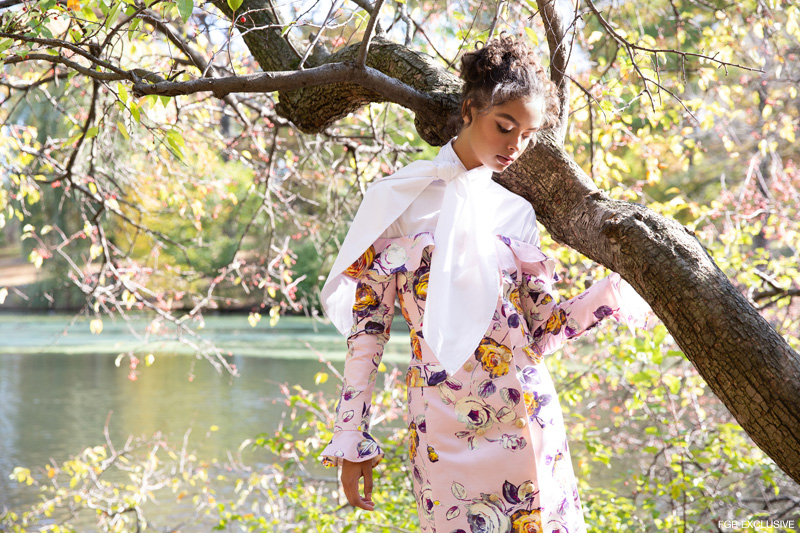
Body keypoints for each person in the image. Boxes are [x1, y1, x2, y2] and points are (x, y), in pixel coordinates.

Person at [319, 34, 651, 533]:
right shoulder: (396, 200)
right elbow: (367, 334)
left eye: (529, 133)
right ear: (470, 109)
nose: (516, 145)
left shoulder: (516, 213)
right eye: (505, 125)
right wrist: (351, 438)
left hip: (526, 419)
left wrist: (616, 293)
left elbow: (540, 332)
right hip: (439, 430)